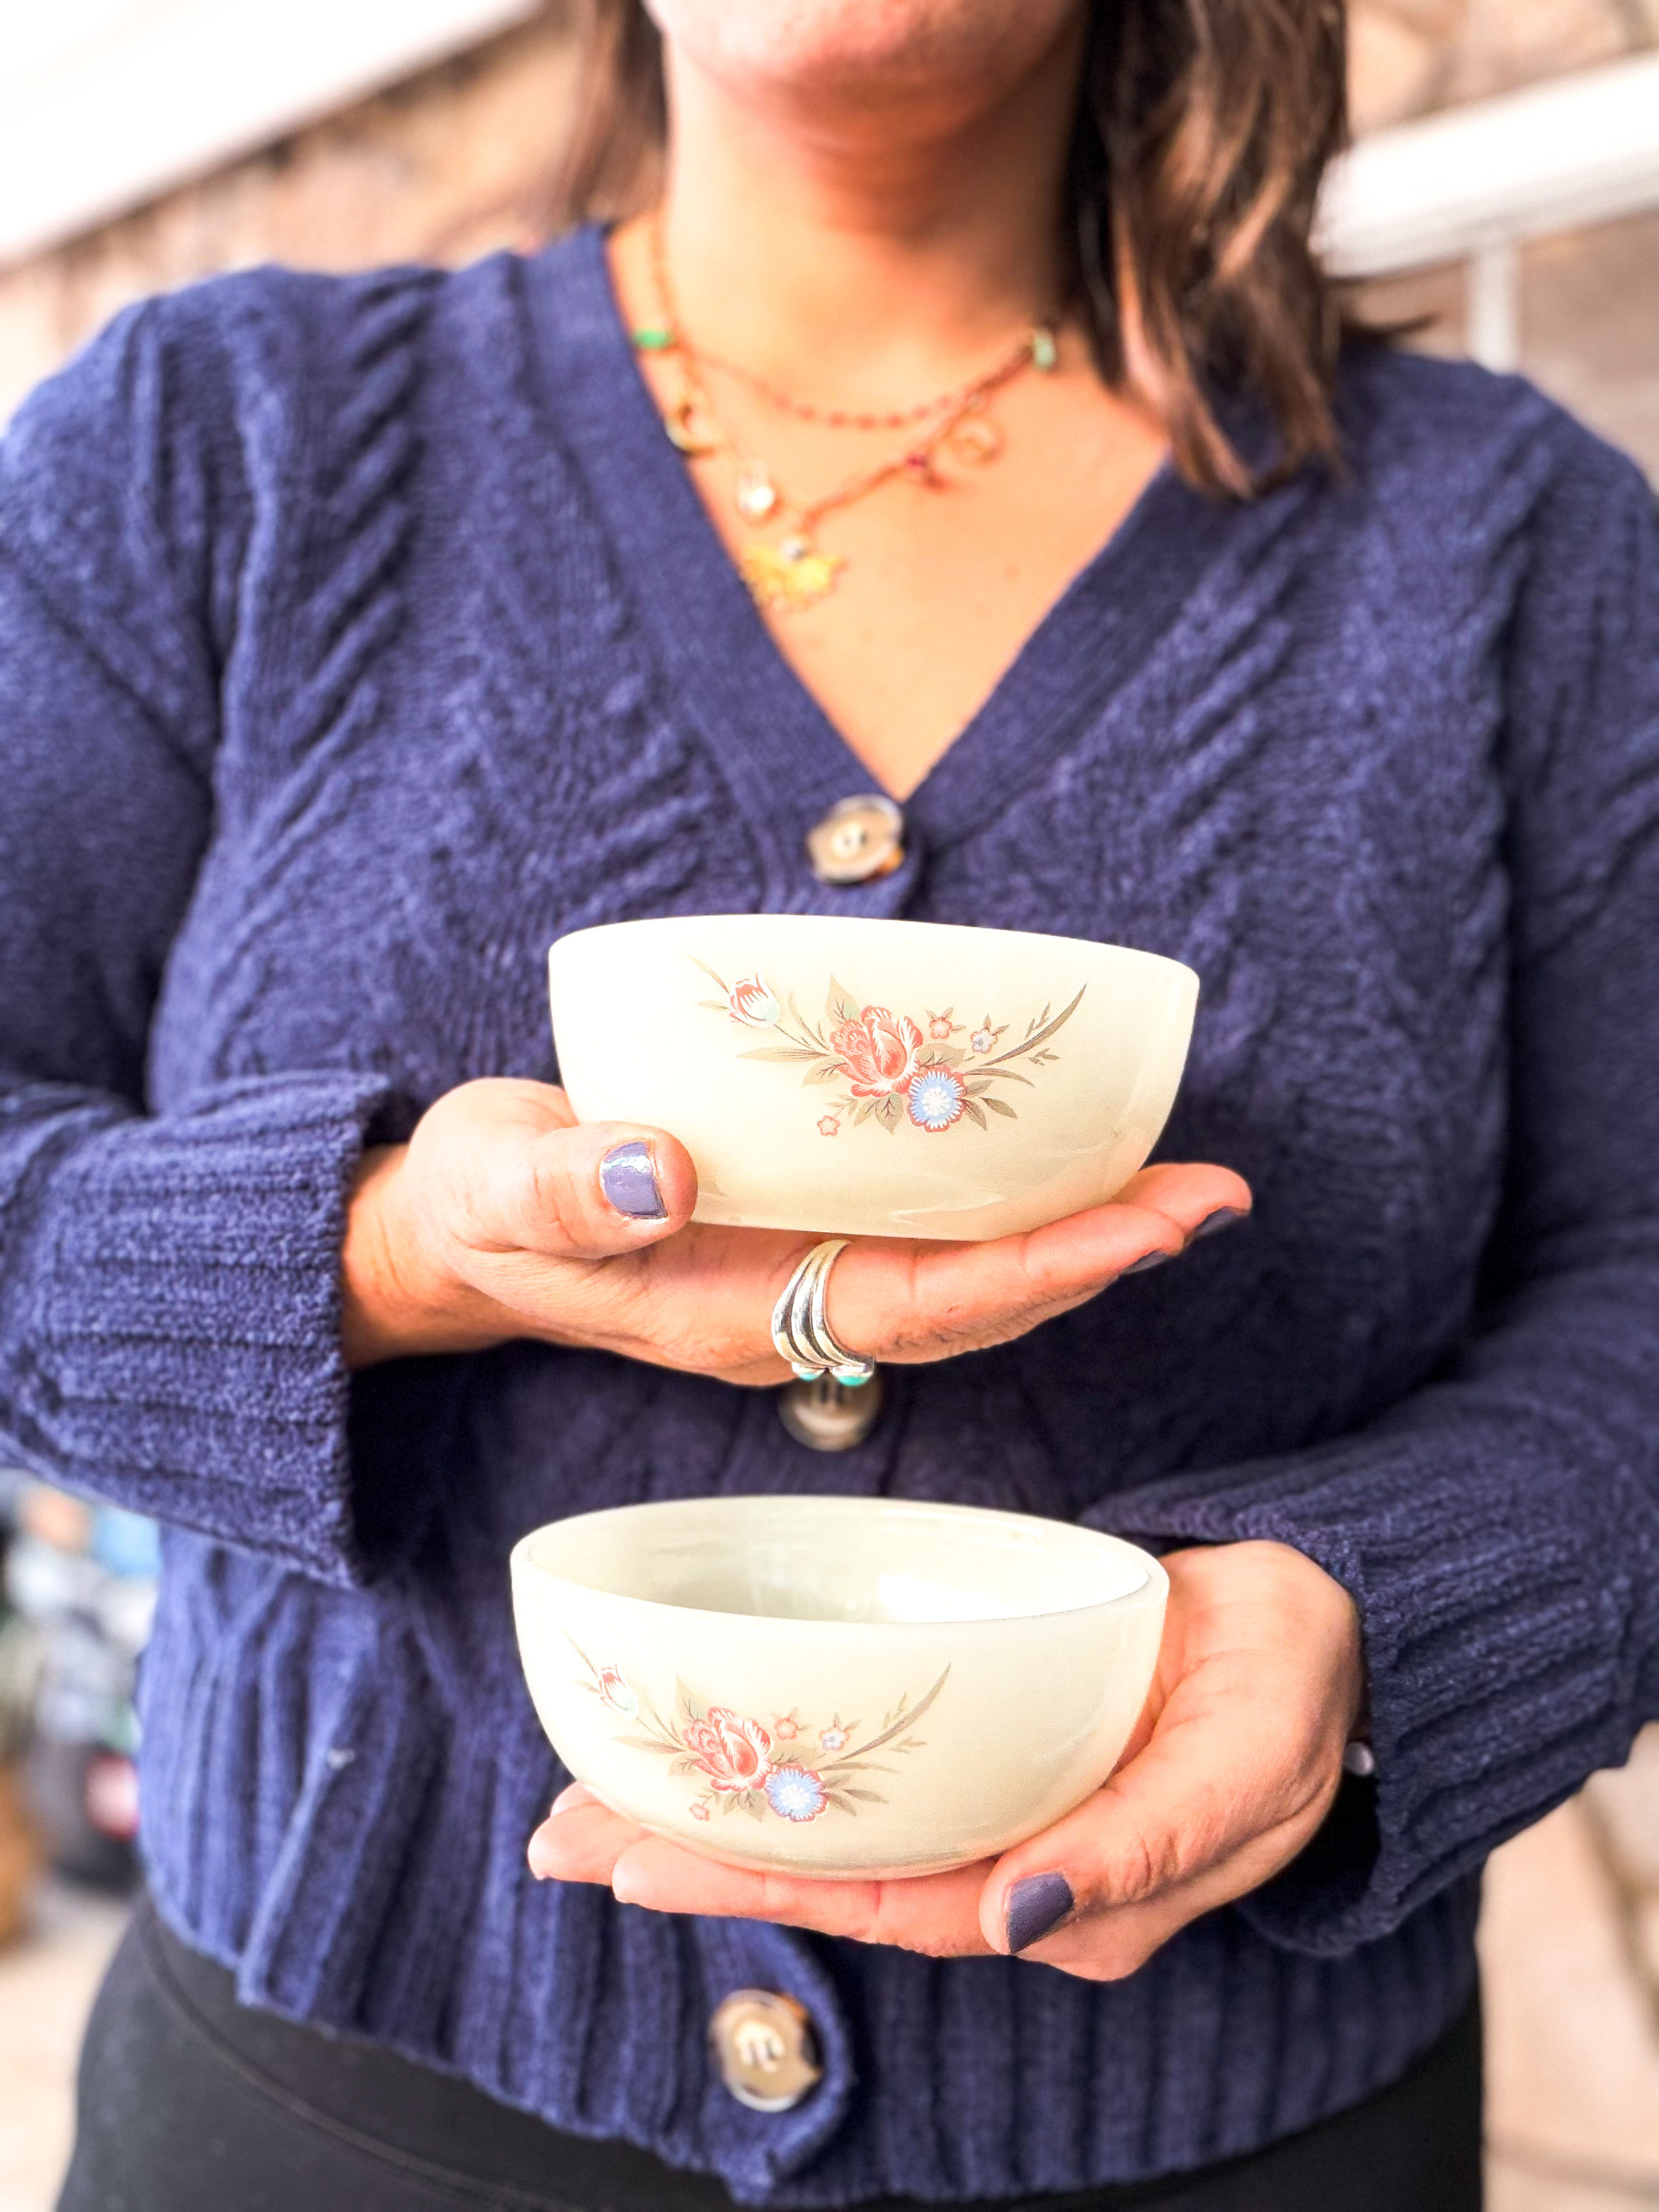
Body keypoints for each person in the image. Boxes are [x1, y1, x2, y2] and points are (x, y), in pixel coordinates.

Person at [2, 0, 1653, 2205]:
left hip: (1248, 2135)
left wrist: (1382, 1626)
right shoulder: (216, 442)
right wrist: (379, 1246)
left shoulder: (1518, 546)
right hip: (322, 2122)